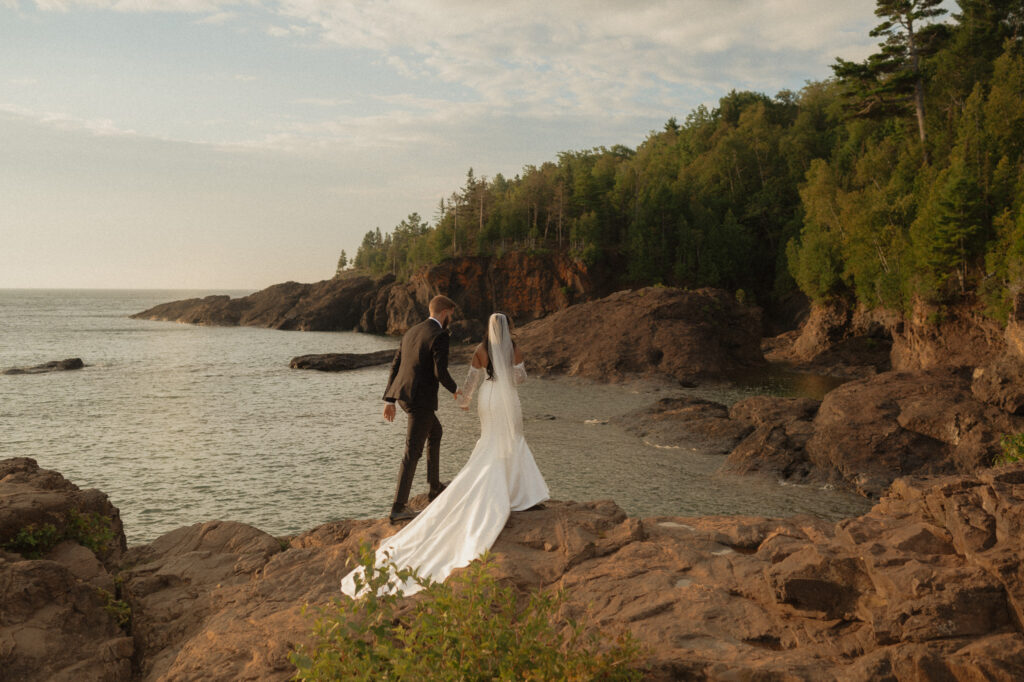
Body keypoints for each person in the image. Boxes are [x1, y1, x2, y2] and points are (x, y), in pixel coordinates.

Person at [342, 312, 549, 597]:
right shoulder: (513, 348)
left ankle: (478, 485)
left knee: (490, 440)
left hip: (488, 398)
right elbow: (520, 378)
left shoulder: (480, 350)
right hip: (506, 397)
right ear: (507, 328)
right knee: (512, 439)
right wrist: (511, 374)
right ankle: (518, 491)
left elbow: (472, 380)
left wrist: (463, 398)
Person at [382, 295, 460, 524]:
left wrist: (390, 400)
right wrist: (456, 390)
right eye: (451, 315)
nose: (450, 320)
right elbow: (440, 372)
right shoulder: (440, 335)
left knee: (435, 432)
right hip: (420, 401)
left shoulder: (412, 331)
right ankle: (398, 507)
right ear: (445, 312)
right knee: (412, 452)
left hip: (404, 395)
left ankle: (435, 487)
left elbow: (396, 364)